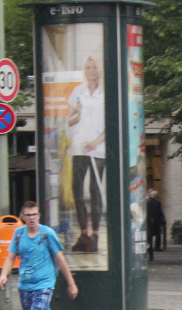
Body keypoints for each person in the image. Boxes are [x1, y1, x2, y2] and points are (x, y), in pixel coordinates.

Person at [67, 56, 106, 254]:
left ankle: (96, 234)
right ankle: (84, 233)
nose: (91, 70)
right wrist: (78, 114)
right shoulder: (79, 91)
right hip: (80, 147)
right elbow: (70, 121)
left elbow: (111, 123)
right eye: (88, 67)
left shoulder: (106, 94)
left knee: (95, 189)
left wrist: (97, 141)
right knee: (77, 188)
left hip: (98, 149)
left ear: (100, 70)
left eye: (95, 67)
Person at [146, 190, 165, 260]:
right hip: (156, 222)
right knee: (157, 234)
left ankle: (149, 248)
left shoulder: (148, 202)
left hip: (150, 222)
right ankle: (156, 247)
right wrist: (162, 221)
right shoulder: (157, 202)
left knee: (149, 237)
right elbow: (159, 212)